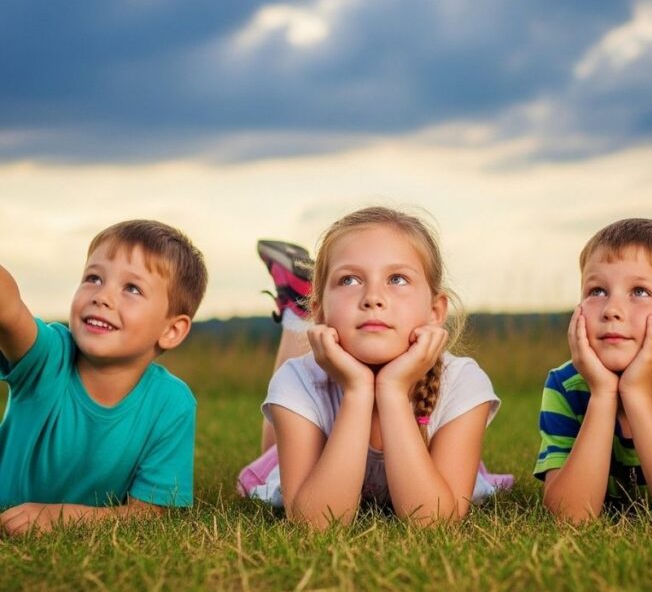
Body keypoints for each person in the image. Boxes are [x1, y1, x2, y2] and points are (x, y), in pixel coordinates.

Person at [239, 206, 512, 528]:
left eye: (397, 279)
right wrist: (357, 391)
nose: (372, 297)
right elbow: (316, 522)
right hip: (314, 447)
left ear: (435, 311)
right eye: (350, 280)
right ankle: (294, 314)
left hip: (428, 457)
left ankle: (293, 306)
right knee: (275, 451)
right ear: (320, 312)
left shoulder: (462, 381)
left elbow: (433, 521)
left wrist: (392, 391)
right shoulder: (297, 379)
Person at [0, 219, 208, 536]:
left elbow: (149, 513)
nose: (103, 296)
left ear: (171, 330)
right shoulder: (49, 356)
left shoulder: (172, 404)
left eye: (132, 288)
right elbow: (8, 310)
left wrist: (59, 517)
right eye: (93, 278)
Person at [534, 218, 652, 521]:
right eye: (597, 291)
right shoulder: (566, 385)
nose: (611, 309)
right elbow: (570, 516)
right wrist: (602, 394)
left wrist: (637, 395)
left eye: (640, 291)